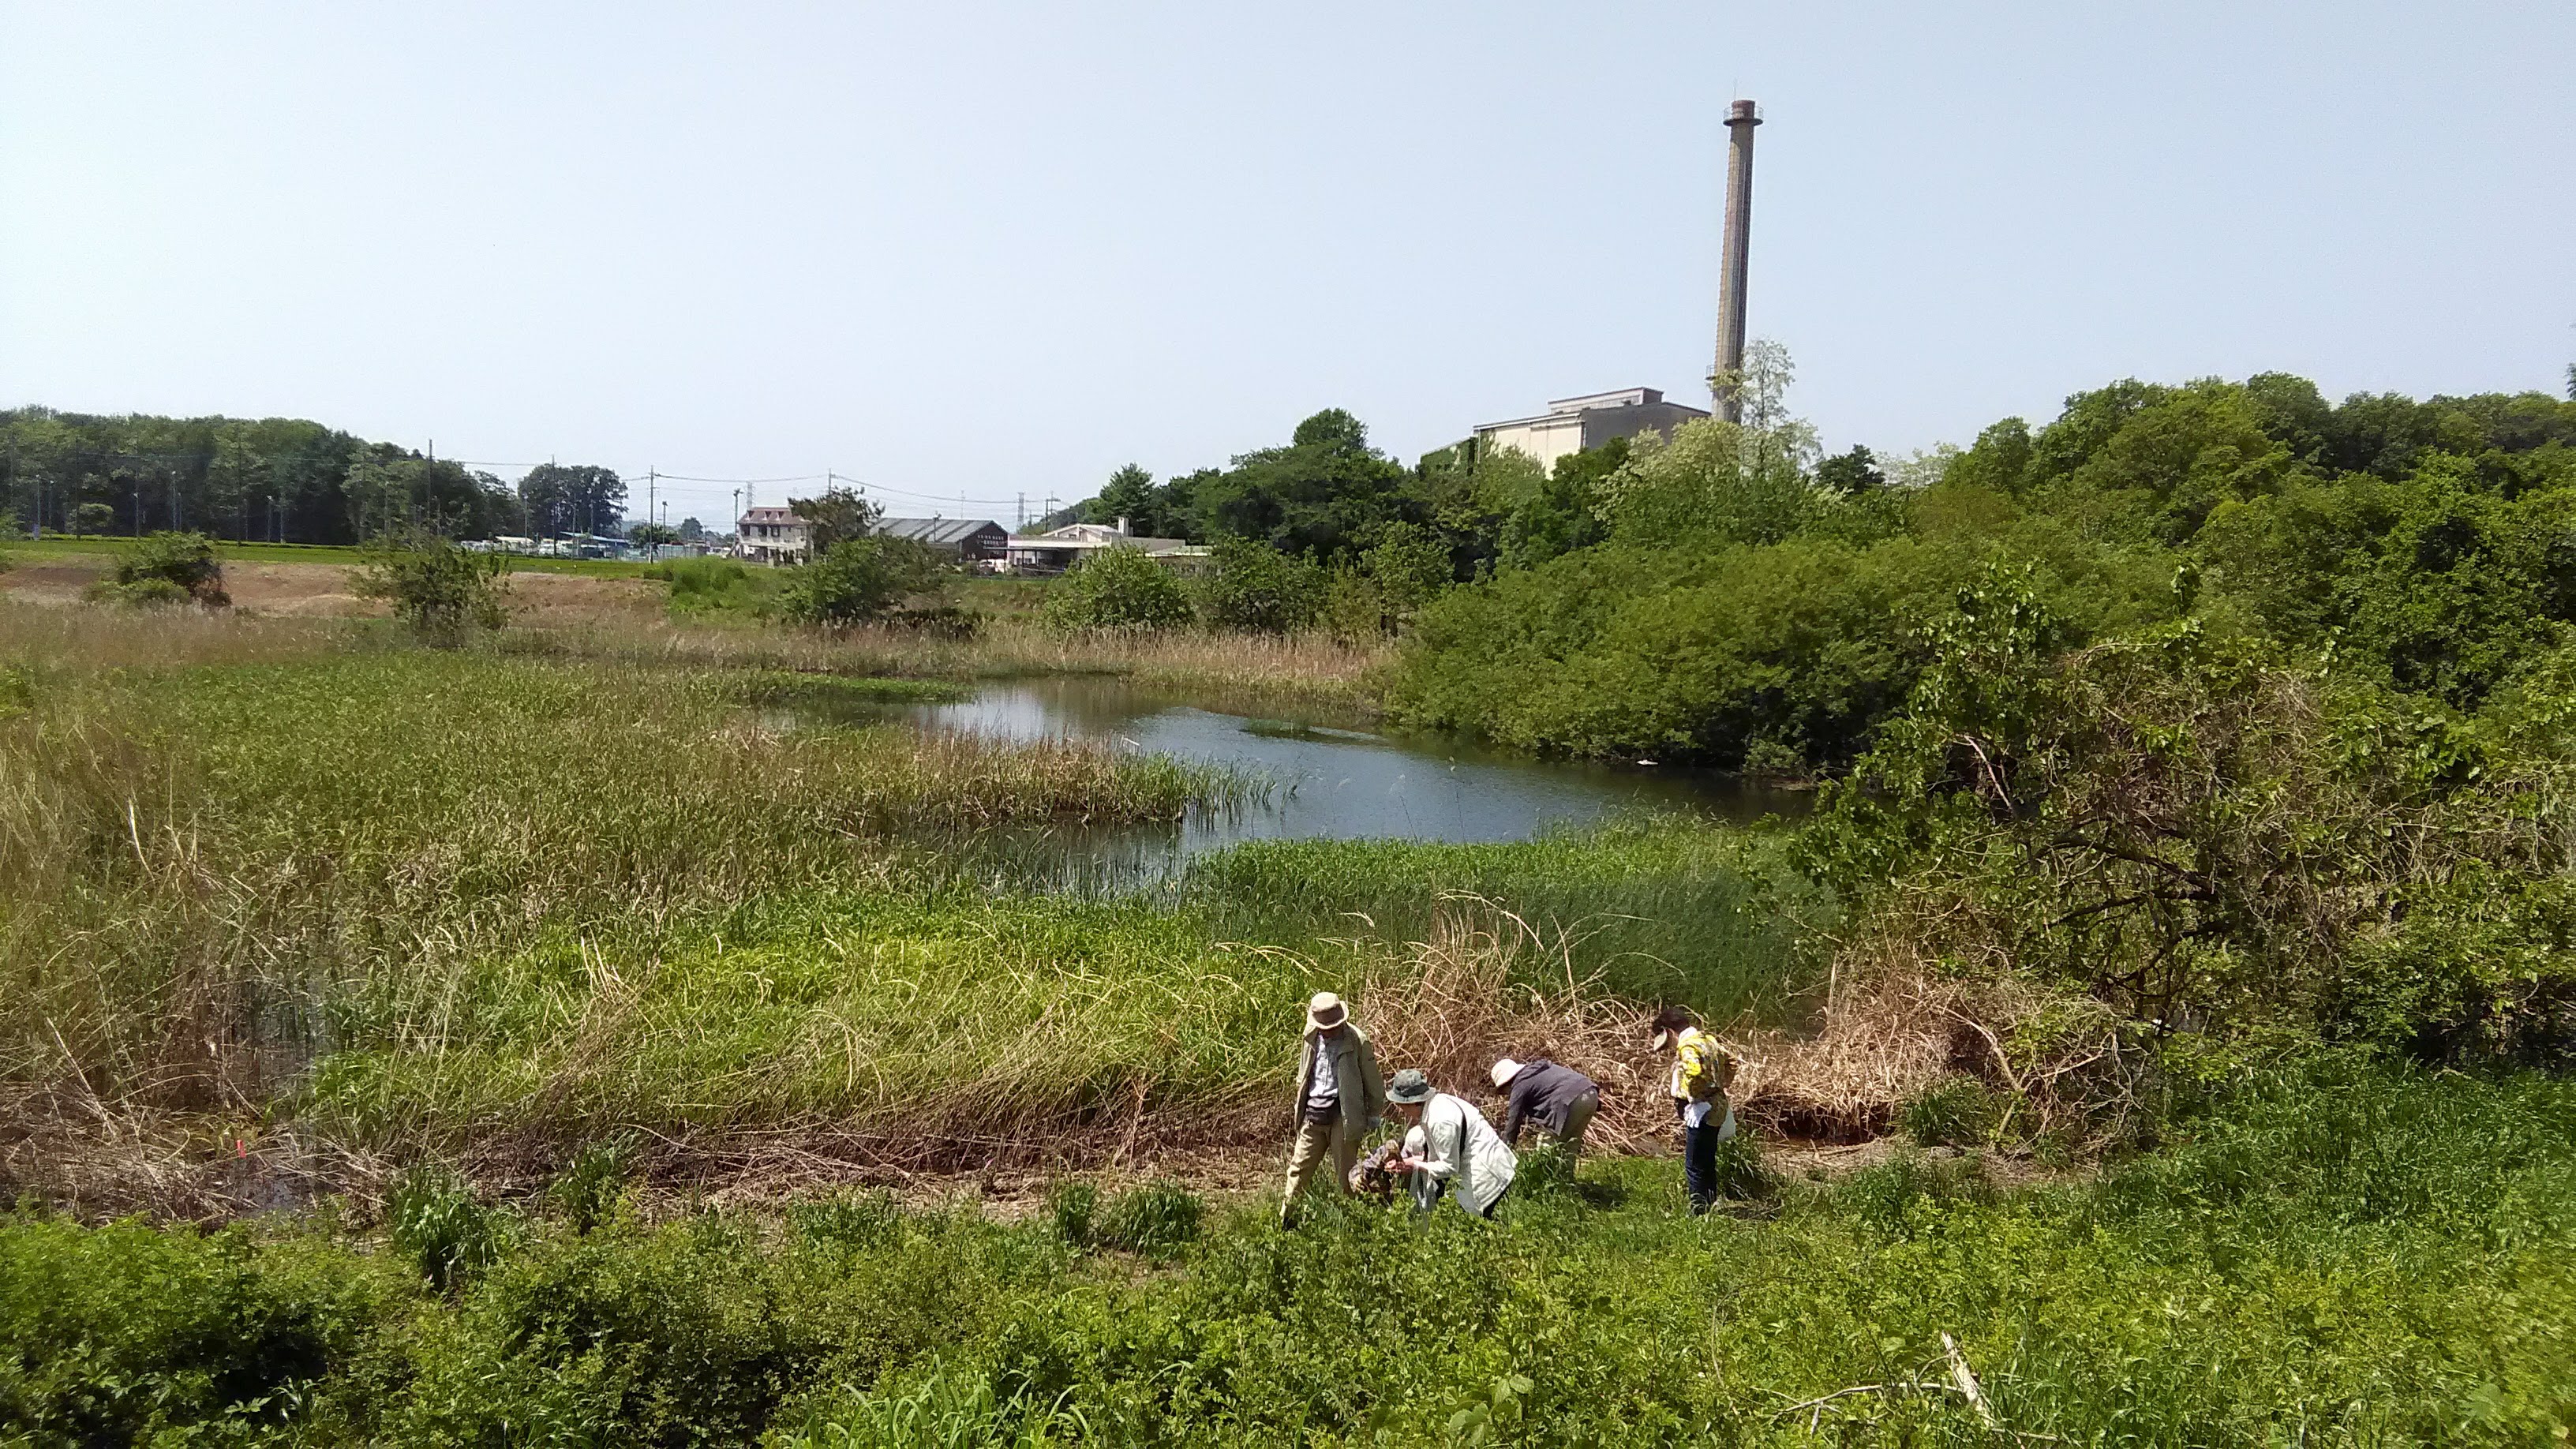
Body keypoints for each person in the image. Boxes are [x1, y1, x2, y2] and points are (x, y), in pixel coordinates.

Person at [1279, 990, 1384, 1227]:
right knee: (1297, 1171)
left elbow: (1373, 1081)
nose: (1330, 1030)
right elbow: (1304, 1075)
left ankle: (1352, 1227)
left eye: (1334, 1025)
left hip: (1343, 1116)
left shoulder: (1357, 1040)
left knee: (1348, 1177)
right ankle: (1286, 1223)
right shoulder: (1310, 1036)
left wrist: (1373, 1114)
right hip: (1313, 1115)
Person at [1387, 1068, 1517, 1217]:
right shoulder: (1437, 1103)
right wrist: (1407, 1162)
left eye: (1401, 1104)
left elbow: (1449, 1168)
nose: (1400, 1109)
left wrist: (1414, 1165)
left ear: (1413, 1102)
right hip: (1491, 1165)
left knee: (1479, 1229)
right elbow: (1436, 1157)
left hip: (1487, 1176)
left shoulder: (1440, 1121)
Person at [1652, 1005, 1740, 1215]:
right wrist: (1720, 1084)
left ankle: (1698, 1210)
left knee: (1694, 1163)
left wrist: (1696, 1098)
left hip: (1702, 1109)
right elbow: (1733, 1062)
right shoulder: (1708, 1041)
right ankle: (1710, 1204)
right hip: (1718, 1105)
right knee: (1707, 1158)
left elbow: (1695, 1071)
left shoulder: (1688, 1047)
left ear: (1670, 1032)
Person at [1491, 1056, 1602, 1163]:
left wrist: (1505, 1152)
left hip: (1570, 1100)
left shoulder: (1519, 1085)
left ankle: (1541, 1180)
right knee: (1570, 1145)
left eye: (1503, 1091)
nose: (1506, 1094)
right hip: (1591, 1093)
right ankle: (1566, 1180)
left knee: (1545, 1144)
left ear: (1506, 1084)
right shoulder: (1537, 1070)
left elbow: (1513, 1124)